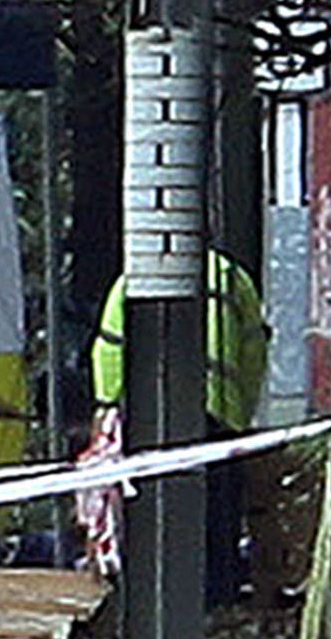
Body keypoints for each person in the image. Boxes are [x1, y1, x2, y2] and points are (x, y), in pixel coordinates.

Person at [90, 248, 270, 604]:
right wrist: (240, 413)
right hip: (219, 419)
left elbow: (110, 348)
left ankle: (149, 593)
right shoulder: (232, 276)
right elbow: (254, 352)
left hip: (148, 418)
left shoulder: (135, 278)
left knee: (150, 509)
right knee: (218, 512)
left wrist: (108, 404)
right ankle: (218, 593)